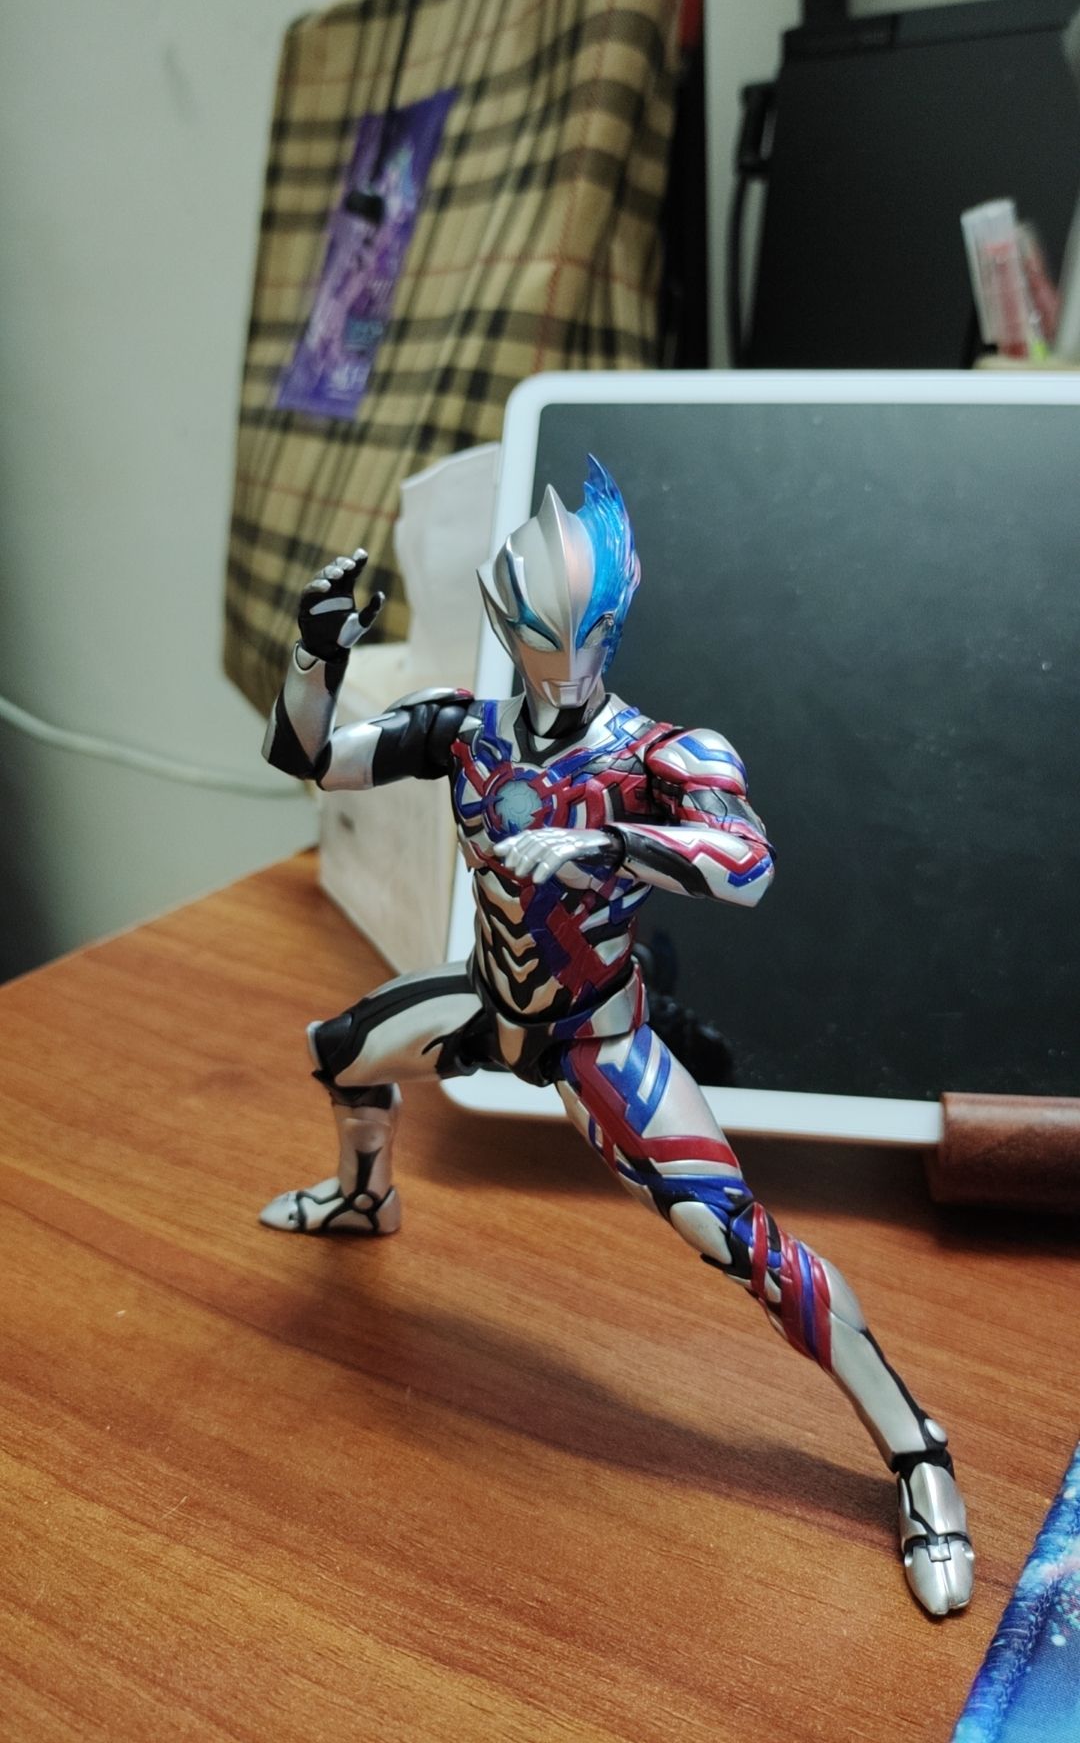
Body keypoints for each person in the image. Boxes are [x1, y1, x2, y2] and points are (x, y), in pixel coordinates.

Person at [260, 456, 973, 1617]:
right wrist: (313, 658)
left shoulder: (662, 755)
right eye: (547, 632)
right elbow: (311, 759)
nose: (568, 659)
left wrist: (615, 846)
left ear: (613, 622)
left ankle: (917, 1452)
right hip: (490, 1008)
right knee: (336, 1050)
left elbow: (748, 862)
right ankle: (362, 1197)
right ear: (509, 619)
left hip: (601, 1043)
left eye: (587, 632)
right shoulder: (465, 731)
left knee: (739, 1241)